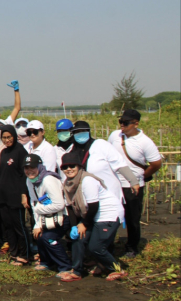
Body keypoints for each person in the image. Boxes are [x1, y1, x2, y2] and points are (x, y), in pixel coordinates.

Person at [59, 153, 127, 282]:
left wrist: (84, 224)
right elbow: (70, 207)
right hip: (92, 216)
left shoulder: (87, 180)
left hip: (108, 214)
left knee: (96, 247)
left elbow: (94, 205)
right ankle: (77, 271)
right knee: (78, 238)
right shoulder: (67, 184)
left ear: (79, 167)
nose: (69, 169)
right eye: (65, 167)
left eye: (72, 166)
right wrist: (75, 226)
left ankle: (116, 269)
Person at [107, 109, 162, 257]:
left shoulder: (145, 142)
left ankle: (132, 247)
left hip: (133, 186)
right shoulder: (114, 136)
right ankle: (108, 246)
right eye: (121, 122)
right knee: (111, 216)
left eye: (125, 123)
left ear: (136, 123)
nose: (122, 126)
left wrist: (143, 176)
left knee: (132, 218)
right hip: (115, 184)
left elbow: (156, 163)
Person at [0, 125, 30, 265]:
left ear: (14, 136)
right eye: (4, 138)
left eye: (9, 137)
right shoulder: (4, 152)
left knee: (19, 227)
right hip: (3, 195)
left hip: (16, 195)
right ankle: (14, 252)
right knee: (8, 226)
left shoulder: (20, 152)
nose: (6, 140)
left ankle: (25, 255)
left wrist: (24, 194)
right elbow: (2, 174)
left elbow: (25, 175)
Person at [23, 154, 71, 276]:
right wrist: (37, 225)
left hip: (62, 216)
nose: (29, 171)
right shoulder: (29, 181)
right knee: (38, 235)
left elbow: (59, 204)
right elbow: (34, 203)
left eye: (32, 167)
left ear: (39, 166)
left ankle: (65, 266)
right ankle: (46, 261)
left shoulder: (48, 180)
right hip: (47, 217)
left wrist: (39, 209)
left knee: (48, 238)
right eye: (26, 168)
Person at [70, 121, 139, 203]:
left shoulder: (101, 145)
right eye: (76, 132)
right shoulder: (72, 150)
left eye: (83, 131)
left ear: (88, 131)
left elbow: (119, 163)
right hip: (88, 198)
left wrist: (133, 181)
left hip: (109, 193)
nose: (80, 134)